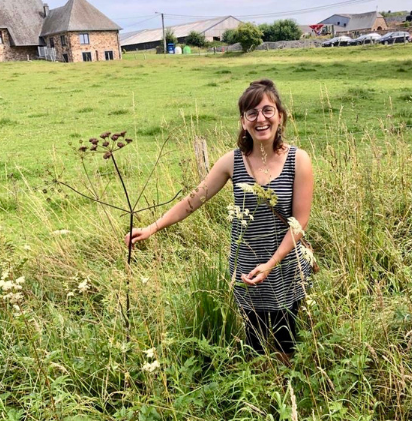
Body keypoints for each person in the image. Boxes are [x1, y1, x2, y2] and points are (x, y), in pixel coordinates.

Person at [125, 79, 313, 363]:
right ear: (243, 121)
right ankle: (262, 392)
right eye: (252, 113)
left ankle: (287, 393)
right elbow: (192, 201)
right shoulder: (232, 162)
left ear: (280, 116)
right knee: (255, 339)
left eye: (267, 110)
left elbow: (299, 221)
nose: (260, 119)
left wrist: (272, 263)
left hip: (286, 265)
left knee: (286, 336)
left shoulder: (299, 160)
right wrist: (151, 228)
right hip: (247, 267)